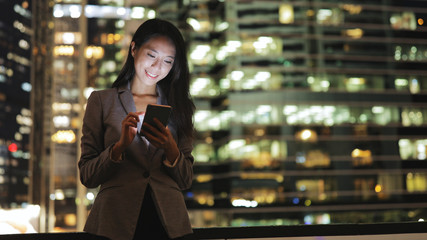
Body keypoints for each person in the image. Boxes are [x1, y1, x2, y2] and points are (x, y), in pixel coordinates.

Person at [78, 18, 195, 240]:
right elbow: (88, 175)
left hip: (169, 224)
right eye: (151, 55)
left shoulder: (180, 105)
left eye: (168, 61)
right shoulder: (102, 101)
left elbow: (186, 179)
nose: (157, 67)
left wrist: (170, 147)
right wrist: (119, 147)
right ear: (134, 48)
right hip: (114, 222)